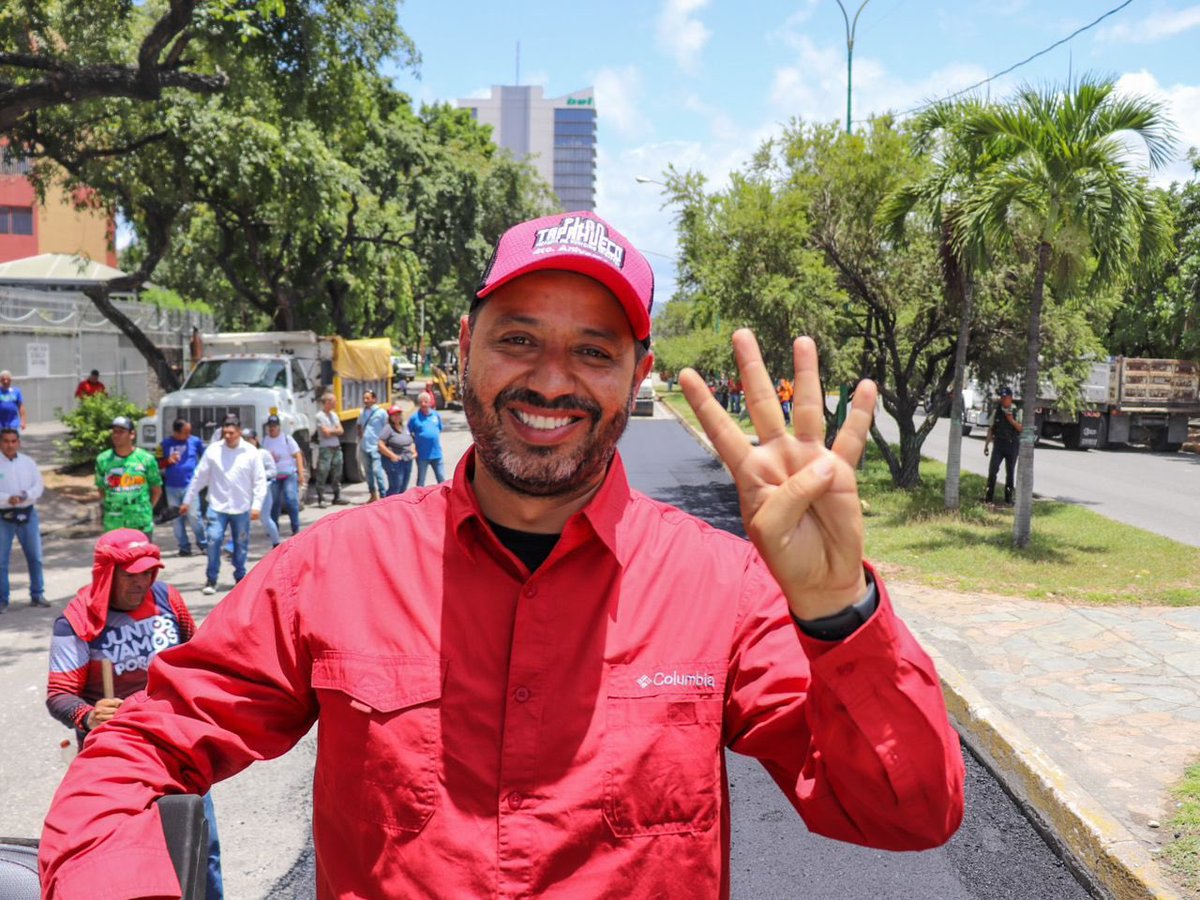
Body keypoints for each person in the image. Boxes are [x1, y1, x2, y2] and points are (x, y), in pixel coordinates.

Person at [39, 210, 963, 899]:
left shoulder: (723, 586)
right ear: (466, 350)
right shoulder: (337, 568)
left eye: (592, 352)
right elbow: (137, 752)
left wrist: (840, 614)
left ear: (636, 378)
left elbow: (907, 813)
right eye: (518, 339)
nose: (551, 380)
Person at [45, 530, 223, 898]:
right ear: (107, 573)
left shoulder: (167, 599)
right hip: (118, 760)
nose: (142, 582)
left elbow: (197, 654)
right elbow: (60, 694)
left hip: (178, 747)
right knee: (134, 862)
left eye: (148, 572)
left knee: (203, 853)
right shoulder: (77, 622)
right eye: (131, 574)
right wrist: (89, 715)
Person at [179, 415, 266, 595]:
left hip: (241, 507)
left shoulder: (251, 452)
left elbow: (259, 481)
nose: (228, 436)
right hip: (217, 506)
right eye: (225, 432)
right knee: (213, 539)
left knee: (241, 544)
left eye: (231, 433)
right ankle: (212, 578)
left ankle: (240, 577)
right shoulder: (213, 451)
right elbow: (199, 477)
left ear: (239, 431)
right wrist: (187, 500)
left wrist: (257, 505)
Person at [0, 427, 47, 610]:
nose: (10, 445)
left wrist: (26, 495)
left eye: (13, 441)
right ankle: (2, 599)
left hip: (28, 513)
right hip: (3, 517)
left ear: (18, 442)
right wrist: (6, 498)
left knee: (35, 557)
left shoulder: (29, 463)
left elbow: (39, 486)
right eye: (6, 441)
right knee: (1, 561)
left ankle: (37, 594)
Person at [95, 416, 163, 538]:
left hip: (141, 525)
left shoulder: (146, 459)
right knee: (116, 557)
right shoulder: (103, 460)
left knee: (141, 557)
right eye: (114, 432)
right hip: (113, 526)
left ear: (132, 435)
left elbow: (156, 490)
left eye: (121, 432)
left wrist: (144, 509)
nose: (116, 435)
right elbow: (101, 489)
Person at [160, 419, 207, 557]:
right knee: (176, 520)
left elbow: (205, 458)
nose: (188, 435)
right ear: (176, 432)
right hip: (172, 487)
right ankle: (184, 547)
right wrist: (168, 461)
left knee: (194, 516)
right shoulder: (165, 444)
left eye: (189, 432)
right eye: (185, 433)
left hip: (190, 486)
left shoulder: (195, 441)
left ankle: (203, 543)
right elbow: (157, 463)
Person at [261, 415, 305, 541]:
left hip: (289, 474)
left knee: (291, 499)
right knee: (273, 503)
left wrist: (301, 474)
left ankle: (295, 527)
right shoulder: (265, 441)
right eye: (270, 426)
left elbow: (298, 455)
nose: (272, 429)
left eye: (274, 426)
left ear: (279, 427)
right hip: (273, 476)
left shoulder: (287, 439)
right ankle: (273, 528)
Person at [240, 427, 278, 547]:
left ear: (255, 439)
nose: (246, 442)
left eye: (249, 439)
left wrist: (258, 476)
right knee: (242, 519)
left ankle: (276, 543)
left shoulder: (263, 453)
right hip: (246, 490)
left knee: (265, 519)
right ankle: (236, 546)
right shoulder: (240, 455)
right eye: (244, 439)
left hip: (263, 489)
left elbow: (273, 471)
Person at [984, 386, 1023, 505]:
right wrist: (986, 445)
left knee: (1010, 472)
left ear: (1010, 398)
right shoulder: (997, 411)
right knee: (993, 470)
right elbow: (991, 429)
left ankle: (1009, 498)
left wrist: (1011, 420)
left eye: (1005, 397)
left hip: (1012, 444)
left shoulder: (1017, 411)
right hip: (999, 444)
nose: (1003, 399)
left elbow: (1022, 429)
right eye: (1002, 397)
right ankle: (989, 497)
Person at [313, 392, 348, 508]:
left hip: (336, 447)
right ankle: (321, 498)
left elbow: (341, 431)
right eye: (334, 401)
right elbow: (325, 433)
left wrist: (332, 431)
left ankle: (337, 496)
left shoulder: (334, 415)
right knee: (323, 473)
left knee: (337, 473)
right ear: (327, 402)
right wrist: (334, 431)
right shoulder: (320, 416)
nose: (336, 403)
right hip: (326, 448)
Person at [408, 391, 445, 486]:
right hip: (422, 454)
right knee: (421, 480)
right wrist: (413, 445)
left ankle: (444, 499)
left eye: (425, 401)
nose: (423, 404)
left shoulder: (436, 415)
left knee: (441, 478)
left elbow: (439, 429)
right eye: (421, 402)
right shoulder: (414, 418)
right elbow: (408, 433)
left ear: (430, 403)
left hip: (436, 453)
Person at [356, 389, 387, 502]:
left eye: (368, 398)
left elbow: (387, 427)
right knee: (368, 473)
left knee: (377, 471)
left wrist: (384, 443)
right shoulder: (362, 412)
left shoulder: (381, 413)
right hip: (364, 446)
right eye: (364, 398)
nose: (365, 400)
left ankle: (383, 495)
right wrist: (360, 434)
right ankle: (373, 495)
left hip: (375, 446)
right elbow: (359, 424)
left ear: (374, 399)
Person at [377, 404, 414, 497]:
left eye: (399, 414)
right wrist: (392, 455)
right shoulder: (388, 428)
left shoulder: (404, 427)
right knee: (395, 487)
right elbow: (380, 444)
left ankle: (398, 509)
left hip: (407, 460)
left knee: (403, 487)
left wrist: (414, 451)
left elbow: (410, 440)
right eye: (394, 415)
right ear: (390, 417)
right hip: (395, 463)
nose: (397, 417)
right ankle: (387, 508)